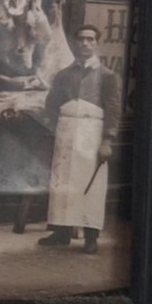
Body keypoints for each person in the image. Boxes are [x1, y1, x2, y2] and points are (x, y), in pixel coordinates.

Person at [38, 24, 121, 254]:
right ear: (75, 43)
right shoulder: (63, 75)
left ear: (96, 44)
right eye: (81, 39)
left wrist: (107, 140)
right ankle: (61, 232)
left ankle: (90, 236)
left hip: (91, 132)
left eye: (90, 39)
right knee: (63, 182)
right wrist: (54, 126)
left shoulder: (107, 76)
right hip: (66, 131)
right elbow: (51, 104)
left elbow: (113, 110)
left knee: (91, 184)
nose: (85, 43)